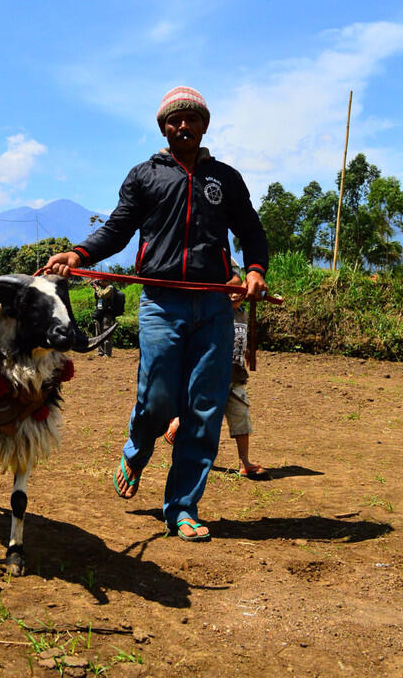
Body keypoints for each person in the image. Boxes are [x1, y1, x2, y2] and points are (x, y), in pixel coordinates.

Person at [45, 86, 268, 542]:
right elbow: (119, 227)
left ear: (205, 124)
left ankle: (183, 508)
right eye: (173, 120)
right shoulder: (144, 176)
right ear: (163, 128)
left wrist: (256, 270)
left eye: (191, 119)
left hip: (214, 304)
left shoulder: (225, 178)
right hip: (160, 302)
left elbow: (251, 230)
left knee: (204, 408)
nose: (182, 126)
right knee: (159, 397)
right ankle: (136, 449)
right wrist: (79, 252)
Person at [166, 270, 268, 479]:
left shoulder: (242, 314)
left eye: (238, 289)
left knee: (241, 418)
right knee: (200, 414)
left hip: (236, 376)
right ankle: (177, 425)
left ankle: (244, 462)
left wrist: (247, 351)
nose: (234, 294)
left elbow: (241, 335)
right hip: (212, 375)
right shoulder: (214, 315)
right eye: (229, 289)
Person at [90, 279, 124, 357]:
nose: (98, 282)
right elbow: (97, 297)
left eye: (100, 280)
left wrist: (97, 288)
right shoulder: (100, 288)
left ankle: (107, 353)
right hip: (99, 311)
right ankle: (100, 352)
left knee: (106, 331)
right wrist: (96, 288)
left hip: (107, 312)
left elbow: (102, 295)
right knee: (98, 331)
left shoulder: (110, 288)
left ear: (106, 281)